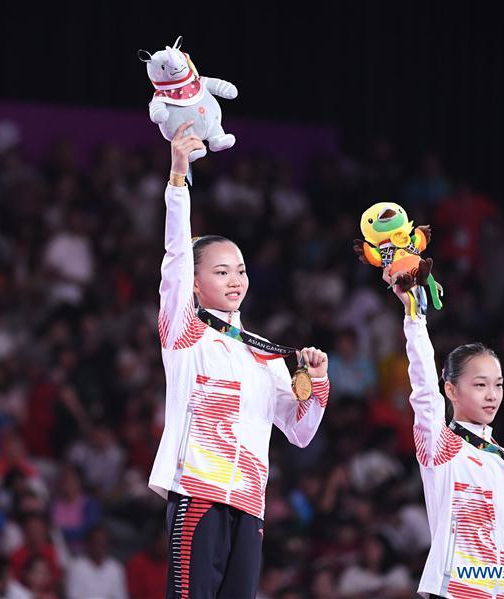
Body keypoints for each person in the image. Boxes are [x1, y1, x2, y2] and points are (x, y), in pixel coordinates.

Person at [148, 122, 331, 598]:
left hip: (251, 504)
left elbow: (300, 431)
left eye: (241, 271)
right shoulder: (186, 333)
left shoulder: (264, 353)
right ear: (194, 282)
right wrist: (178, 178)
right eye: (221, 271)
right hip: (198, 493)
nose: (235, 280)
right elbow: (175, 254)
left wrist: (316, 382)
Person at [389, 270, 504, 599]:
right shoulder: (443, 445)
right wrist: (414, 319)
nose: (492, 395)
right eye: (480, 385)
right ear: (451, 389)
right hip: (455, 591)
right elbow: (424, 391)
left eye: (498, 385)